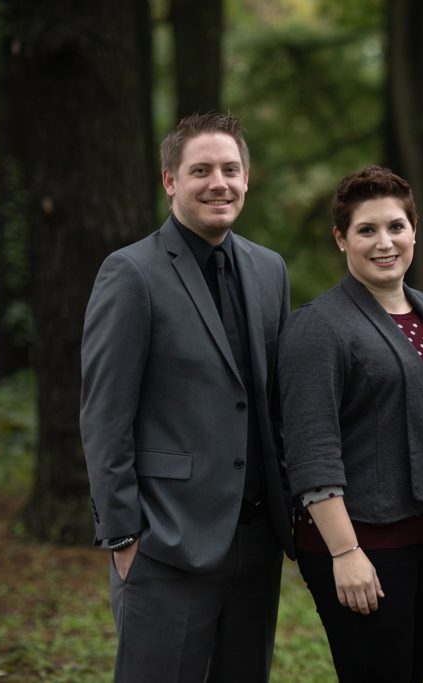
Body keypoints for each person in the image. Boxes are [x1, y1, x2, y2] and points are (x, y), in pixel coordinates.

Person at [80, 112, 294, 682]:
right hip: (164, 544)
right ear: (170, 180)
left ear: (248, 178)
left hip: (254, 545)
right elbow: (105, 416)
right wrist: (124, 536)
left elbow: (271, 404)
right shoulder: (130, 273)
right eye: (201, 170)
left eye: (230, 169)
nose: (218, 182)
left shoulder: (269, 270)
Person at [277, 165, 423, 682]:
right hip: (363, 544)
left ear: (414, 230)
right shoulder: (318, 326)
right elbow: (310, 447)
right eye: (366, 230)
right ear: (341, 239)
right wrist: (345, 552)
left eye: (395, 226)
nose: (384, 242)